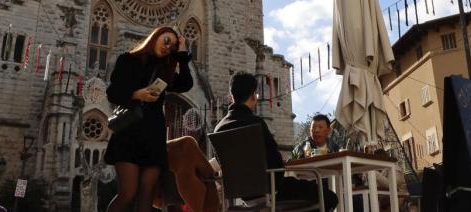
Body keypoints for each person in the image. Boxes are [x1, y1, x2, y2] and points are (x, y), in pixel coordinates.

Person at [215, 72, 338, 211]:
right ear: (253, 96)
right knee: (329, 197)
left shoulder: (218, 128)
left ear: (232, 96)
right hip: (272, 192)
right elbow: (276, 162)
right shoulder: (255, 123)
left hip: (244, 198)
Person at [104, 26, 193, 212]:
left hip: (153, 135)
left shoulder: (165, 70)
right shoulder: (128, 60)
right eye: (166, 41)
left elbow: (186, 84)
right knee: (127, 193)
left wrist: (182, 53)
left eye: (172, 47)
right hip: (129, 133)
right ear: (155, 36)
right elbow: (113, 92)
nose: (167, 47)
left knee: (147, 195)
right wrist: (137, 94)